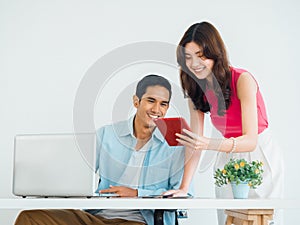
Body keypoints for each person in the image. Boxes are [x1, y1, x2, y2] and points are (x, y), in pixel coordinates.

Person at [14, 74, 188, 225]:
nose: (157, 109)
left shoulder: (174, 143)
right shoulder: (107, 134)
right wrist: (44, 173)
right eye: (151, 101)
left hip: (137, 221)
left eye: (163, 104)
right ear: (136, 101)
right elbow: (78, 172)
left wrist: (137, 194)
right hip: (95, 216)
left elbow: (183, 195)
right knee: (30, 218)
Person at [164, 21, 284, 224]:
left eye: (201, 56)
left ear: (215, 54)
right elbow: (196, 144)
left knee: (263, 218)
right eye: (188, 57)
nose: (194, 64)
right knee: (228, 218)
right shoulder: (195, 87)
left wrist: (207, 143)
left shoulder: (242, 80)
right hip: (227, 155)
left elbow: (250, 141)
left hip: (259, 155)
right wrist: (184, 187)